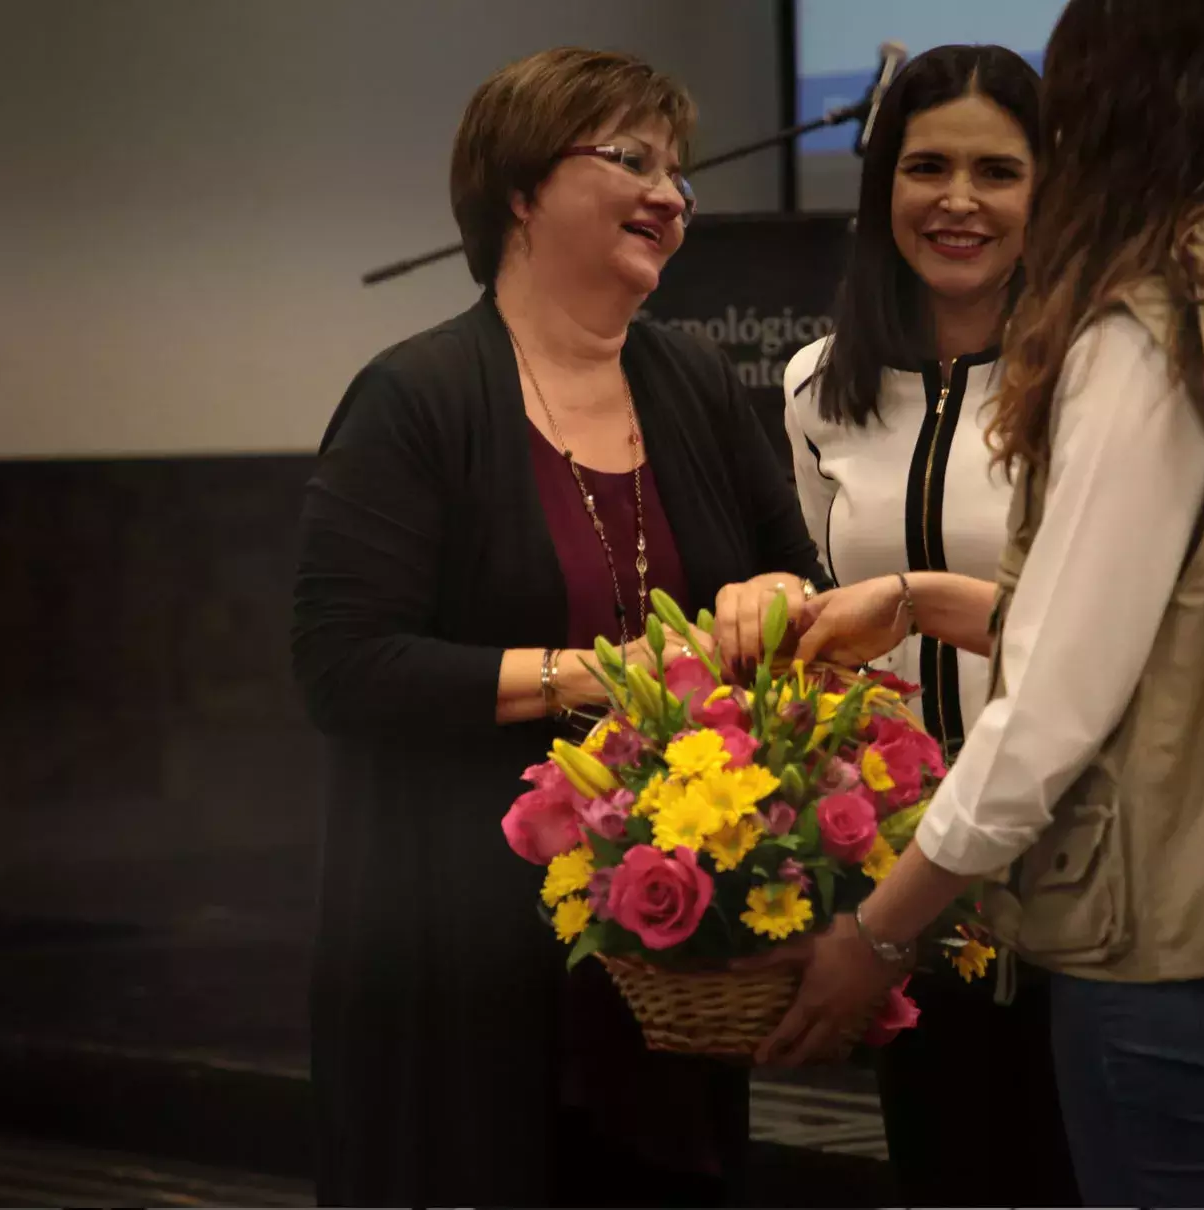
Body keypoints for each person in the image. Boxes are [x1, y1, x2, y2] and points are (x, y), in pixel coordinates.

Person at [757, 2, 1204, 1207]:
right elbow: (1191, 616)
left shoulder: (1144, 337)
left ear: (1106, 110)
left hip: (1176, 932)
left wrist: (879, 934)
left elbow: (1052, 706)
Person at [290, 47, 825, 1208]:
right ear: (521, 192)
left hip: (658, 951)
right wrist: (609, 678)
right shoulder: (415, 397)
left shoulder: (692, 383)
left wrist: (776, 603)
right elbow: (346, 668)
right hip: (457, 955)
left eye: (679, 172)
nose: (671, 195)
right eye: (632, 159)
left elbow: (799, 580)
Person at [779, 44, 1079, 1209]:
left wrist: (922, 600)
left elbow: (1114, 639)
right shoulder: (815, 384)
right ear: (881, 190)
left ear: (1050, 189)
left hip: (1077, 876)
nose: (958, 201)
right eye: (927, 167)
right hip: (904, 888)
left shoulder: (1093, 376)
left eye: (998, 171)